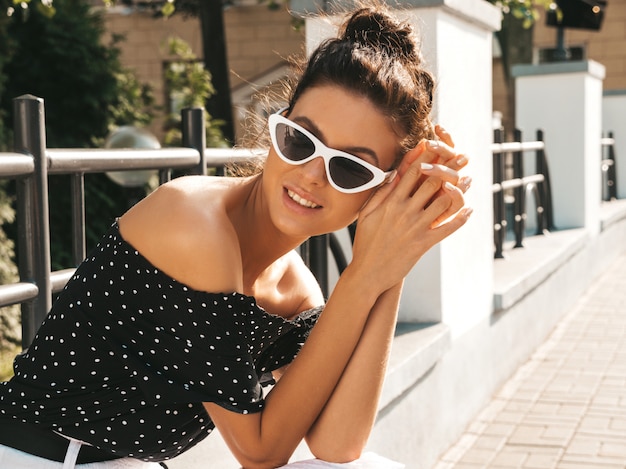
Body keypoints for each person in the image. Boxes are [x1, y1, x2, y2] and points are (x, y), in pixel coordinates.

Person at [0, 3, 472, 468]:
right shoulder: (192, 223)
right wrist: (363, 275)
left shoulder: (293, 292)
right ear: (277, 128)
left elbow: (338, 444)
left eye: (349, 168)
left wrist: (395, 261)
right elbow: (259, 451)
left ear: (379, 192)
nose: (310, 175)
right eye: (299, 140)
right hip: (29, 454)